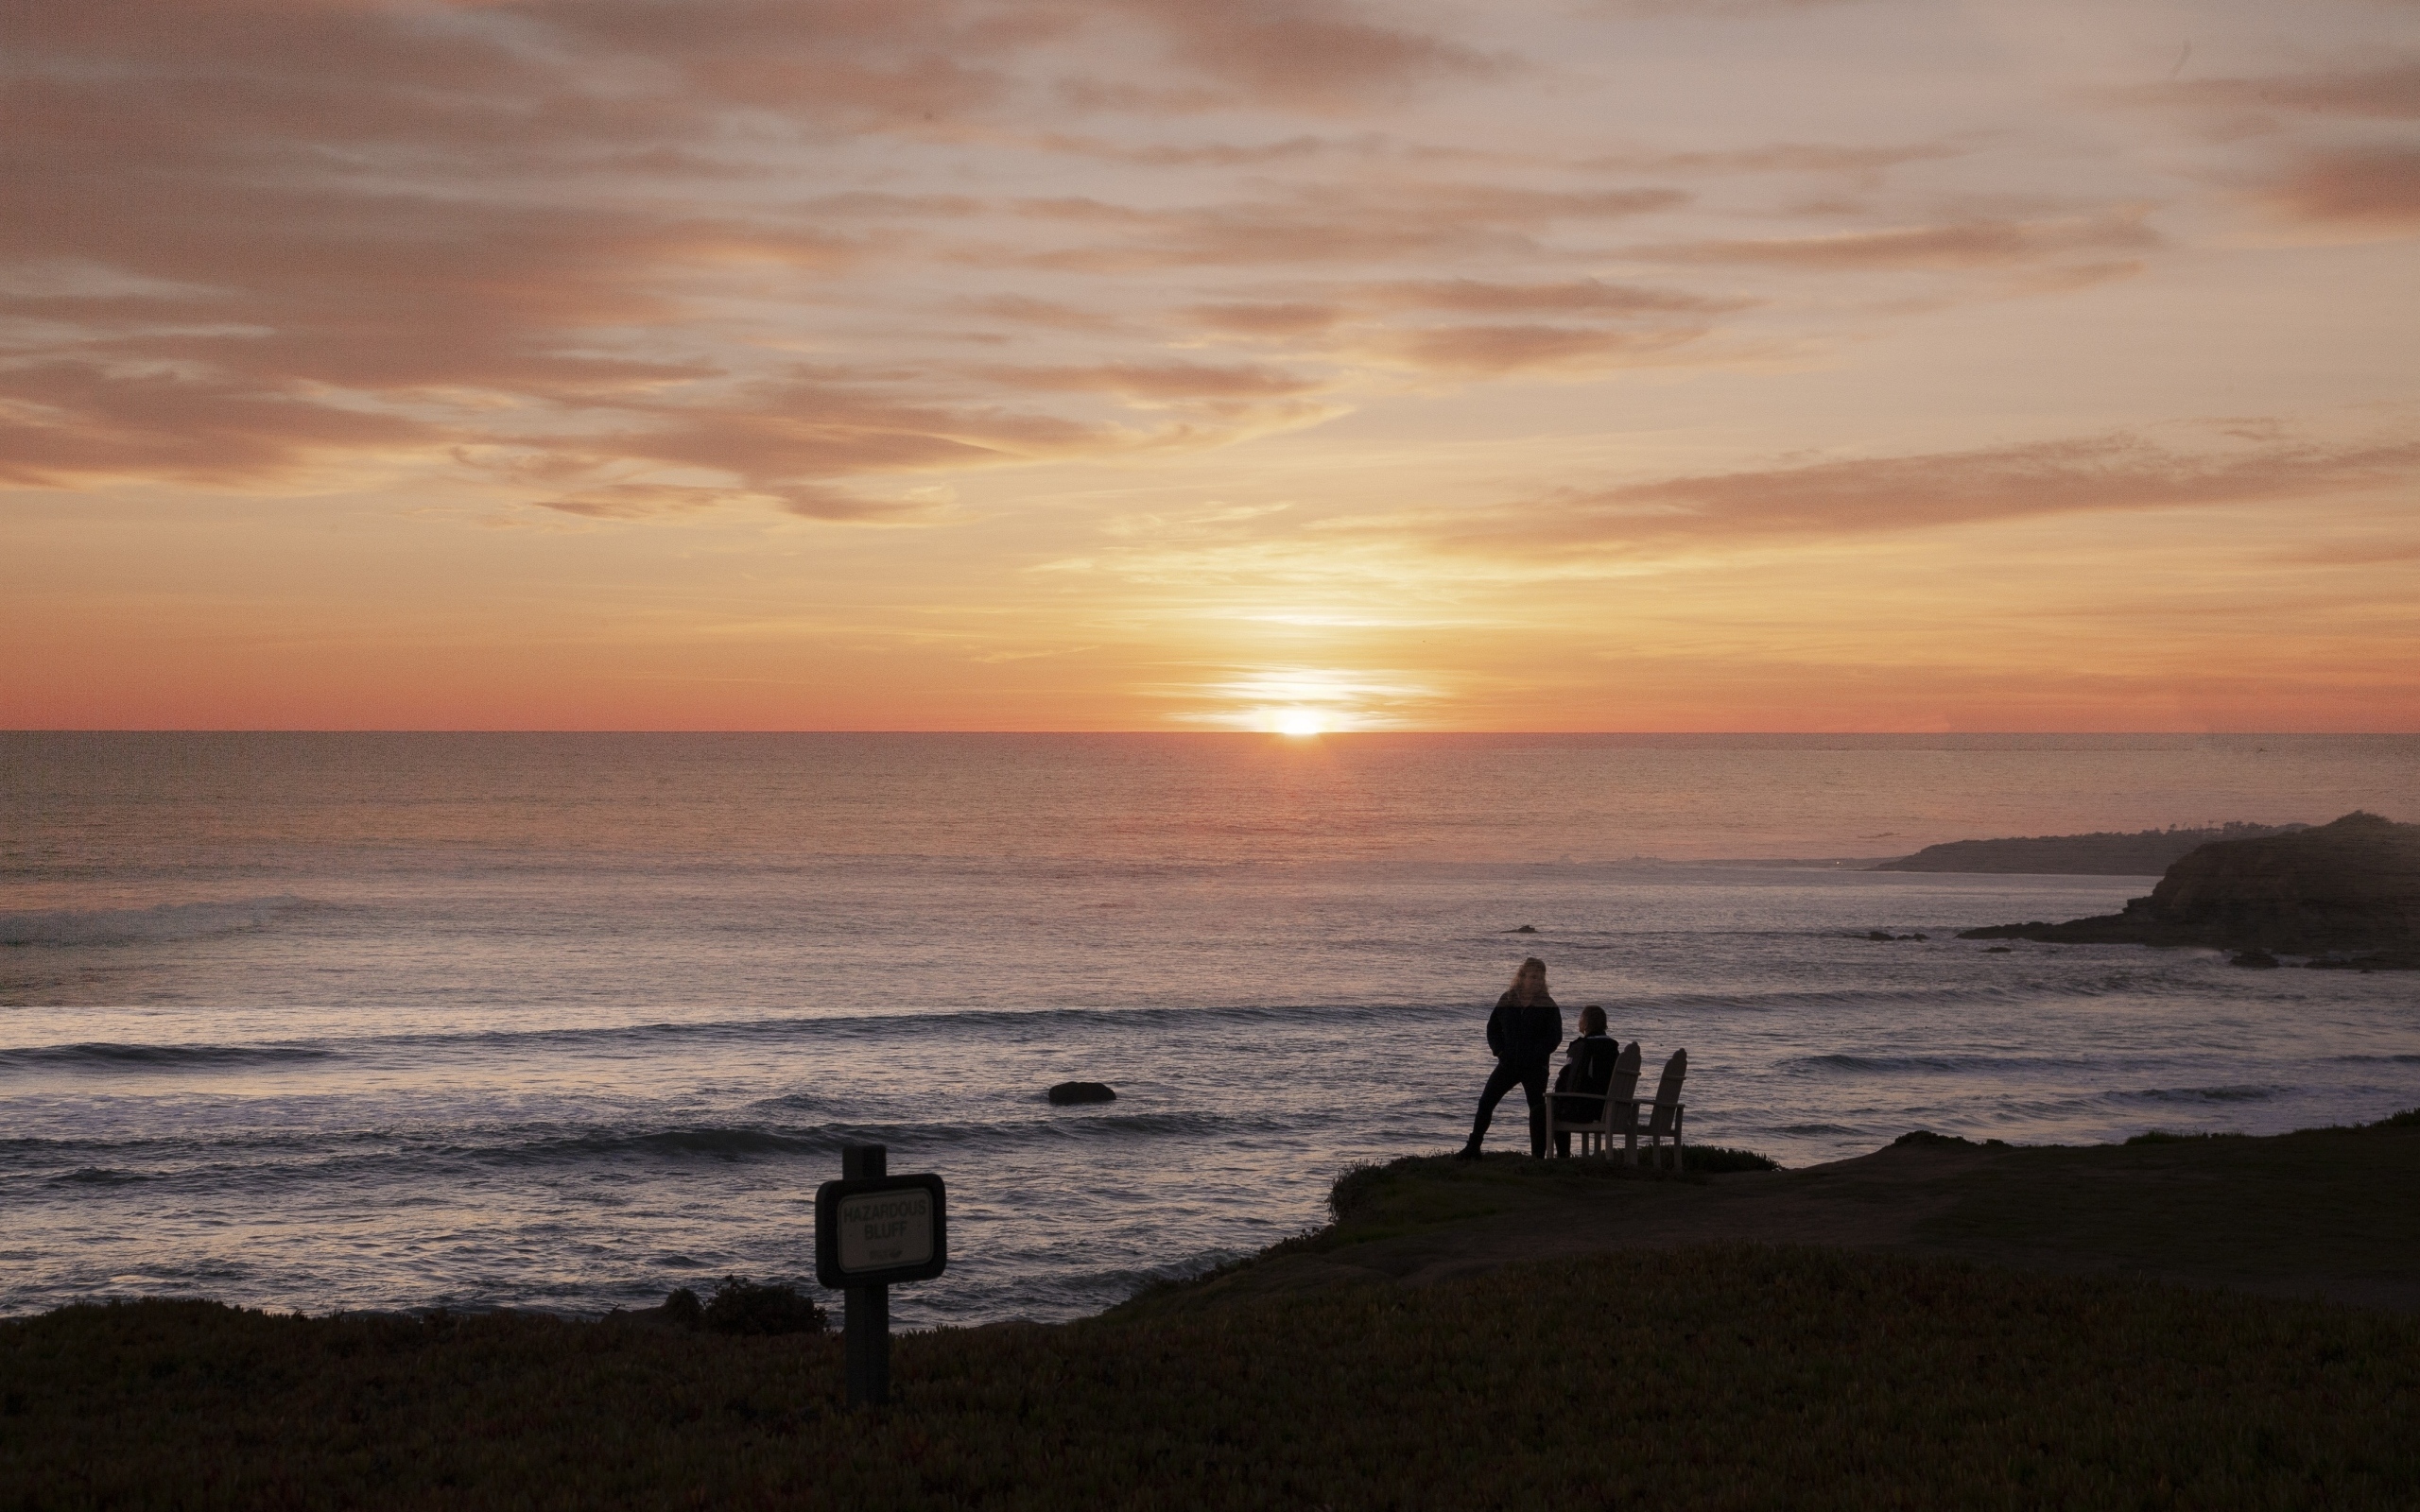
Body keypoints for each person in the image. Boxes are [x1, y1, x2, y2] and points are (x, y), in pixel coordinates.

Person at [1456, 957, 1563, 1160]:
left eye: (1540, 977)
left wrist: (1535, 1055)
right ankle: (1473, 1147)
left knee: (1537, 1110)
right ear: (1521, 977)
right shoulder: (1507, 1000)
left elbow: (1554, 1038)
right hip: (1508, 1064)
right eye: (1533, 977)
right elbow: (1492, 1028)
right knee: (1486, 1102)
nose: (1537, 981)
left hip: (1535, 1067)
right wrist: (1499, 1051)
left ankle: (1538, 1157)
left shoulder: (1548, 1005)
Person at [1549, 1005, 1620, 1158]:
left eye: (1581, 1018)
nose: (1578, 1021)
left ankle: (1561, 1155)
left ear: (1586, 1024)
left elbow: (1567, 1083)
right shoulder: (1613, 1049)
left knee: (1545, 1109)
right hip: (1611, 1109)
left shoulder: (1582, 1047)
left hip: (1586, 1109)